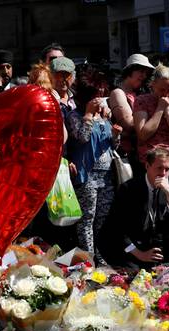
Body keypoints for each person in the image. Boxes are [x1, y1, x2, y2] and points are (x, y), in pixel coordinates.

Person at [66, 67, 121, 264]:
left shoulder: (104, 116)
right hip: (86, 175)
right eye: (96, 95)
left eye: (102, 94)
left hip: (105, 175)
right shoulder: (75, 116)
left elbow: (112, 146)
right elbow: (82, 137)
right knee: (87, 218)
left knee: (103, 218)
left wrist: (115, 134)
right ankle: (87, 259)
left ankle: (101, 254)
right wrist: (88, 115)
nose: (100, 98)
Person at [99, 148, 169, 270]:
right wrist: (140, 254)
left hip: (152, 239)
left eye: (167, 169)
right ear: (147, 166)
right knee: (133, 273)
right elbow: (117, 231)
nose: (163, 174)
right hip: (129, 243)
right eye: (159, 168)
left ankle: (163, 266)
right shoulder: (129, 189)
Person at [134, 64, 169, 188]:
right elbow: (143, 134)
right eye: (161, 89)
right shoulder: (142, 101)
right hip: (149, 161)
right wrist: (160, 109)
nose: (165, 94)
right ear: (152, 85)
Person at [108, 54, 155, 166]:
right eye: (140, 71)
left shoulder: (142, 93)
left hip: (145, 153)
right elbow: (128, 124)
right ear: (130, 71)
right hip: (128, 154)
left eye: (146, 72)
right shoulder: (118, 93)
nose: (144, 76)